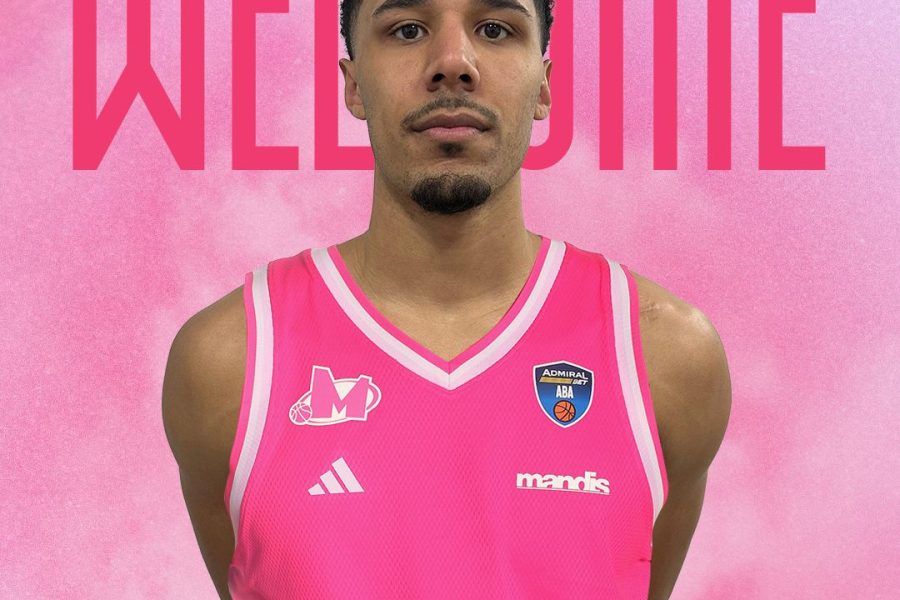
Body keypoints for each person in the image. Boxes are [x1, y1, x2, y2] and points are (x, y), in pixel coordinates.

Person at [162, 0, 732, 598]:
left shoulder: (664, 356)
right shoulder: (229, 363)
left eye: (495, 29)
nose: (453, 62)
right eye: (408, 29)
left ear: (542, 86)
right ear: (354, 86)